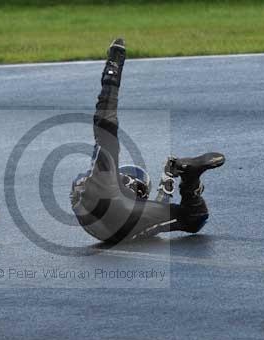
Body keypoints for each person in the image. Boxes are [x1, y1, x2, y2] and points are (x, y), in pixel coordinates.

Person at [70, 38, 225, 243]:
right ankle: (190, 183)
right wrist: (169, 183)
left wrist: (113, 68)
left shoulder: (102, 186)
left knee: (106, 131)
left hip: (105, 209)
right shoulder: (137, 211)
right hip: (126, 223)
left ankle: (112, 72)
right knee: (193, 219)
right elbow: (193, 218)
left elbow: (105, 124)